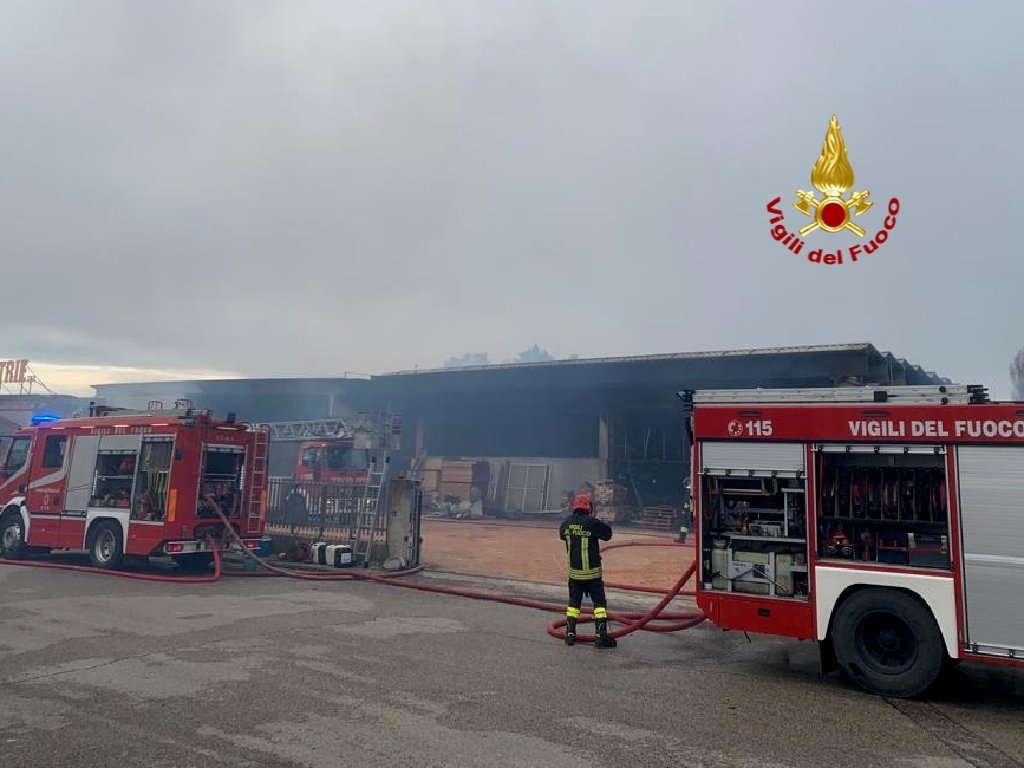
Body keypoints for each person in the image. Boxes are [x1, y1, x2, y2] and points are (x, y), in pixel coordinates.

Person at [559, 492, 616, 648]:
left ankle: (570, 634)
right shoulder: (591, 523)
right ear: (588, 507)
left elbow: (562, 536)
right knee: (599, 605)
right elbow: (608, 534)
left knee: (573, 604)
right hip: (592, 575)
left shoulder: (566, 524)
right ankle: (601, 636)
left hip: (575, 575)